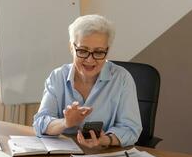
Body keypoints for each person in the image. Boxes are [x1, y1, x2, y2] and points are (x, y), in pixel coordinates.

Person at [33, 14, 142, 148]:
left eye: (99, 52)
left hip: (104, 156)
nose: (90, 60)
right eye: (83, 51)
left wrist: (104, 140)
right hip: (64, 156)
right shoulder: (57, 77)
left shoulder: (122, 79)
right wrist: (66, 123)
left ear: (107, 51)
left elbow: (131, 129)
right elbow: (40, 123)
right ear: (71, 48)